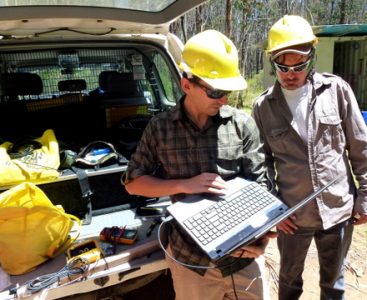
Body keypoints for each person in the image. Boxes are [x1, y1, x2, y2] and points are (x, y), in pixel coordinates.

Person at [123, 29, 276, 300]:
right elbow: (133, 184)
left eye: (227, 91)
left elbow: (261, 185)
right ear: (187, 84)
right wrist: (184, 184)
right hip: (191, 261)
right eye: (216, 91)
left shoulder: (242, 125)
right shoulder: (161, 129)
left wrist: (262, 234)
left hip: (243, 255)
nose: (224, 100)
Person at [252, 15, 367, 300]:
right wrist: (273, 210)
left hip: (338, 209)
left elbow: (361, 147)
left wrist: (365, 195)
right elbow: (260, 163)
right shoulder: (263, 107)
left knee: (334, 282)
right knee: (289, 281)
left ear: (311, 59)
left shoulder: (336, 91)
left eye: (299, 66)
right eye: (283, 67)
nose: (291, 74)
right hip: (292, 216)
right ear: (273, 64)